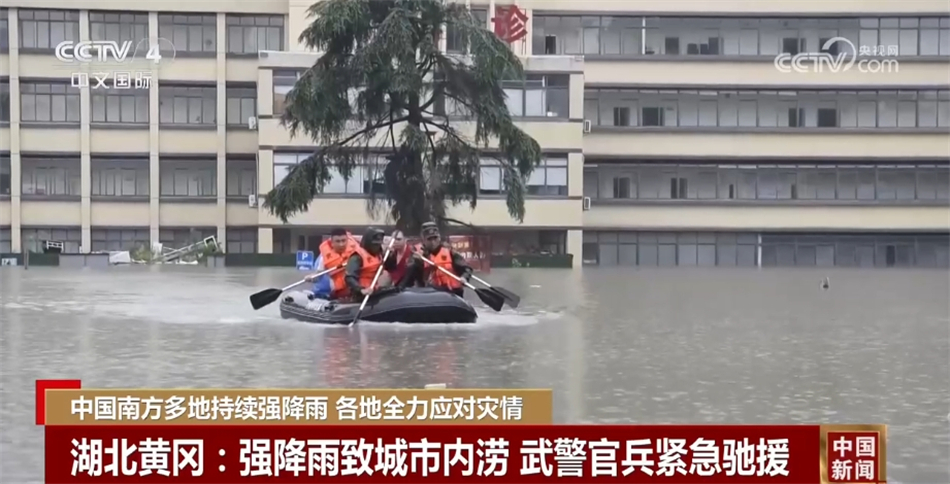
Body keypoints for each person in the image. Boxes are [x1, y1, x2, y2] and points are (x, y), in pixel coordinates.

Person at [399, 222, 472, 298]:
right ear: (423, 240)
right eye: (429, 239)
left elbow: (466, 268)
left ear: (439, 237)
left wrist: (464, 277)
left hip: (453, 293)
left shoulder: (449, 251)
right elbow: (409, 276)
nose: (433, 242)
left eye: (435, 238)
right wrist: (418, 262)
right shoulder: (418, 254)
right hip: (430, 294)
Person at [344, 227, 398, 300]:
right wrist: (361, 289)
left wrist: (391, 256)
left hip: (374, 289)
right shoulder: (357, 257)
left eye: (378, 245)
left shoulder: (379, 254)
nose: (377, 247)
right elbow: (349, 277)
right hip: (361, 293)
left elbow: (391, 268)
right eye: (374, 245)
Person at [305, 228, 357, 300]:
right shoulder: (324, 257)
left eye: (343, 241)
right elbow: (318, 277)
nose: (341, 244)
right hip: (336, 293)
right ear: (332, 243)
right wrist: (311, 277)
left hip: (355, 290)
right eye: (337, 241)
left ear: (347, 241)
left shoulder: (356, 252)